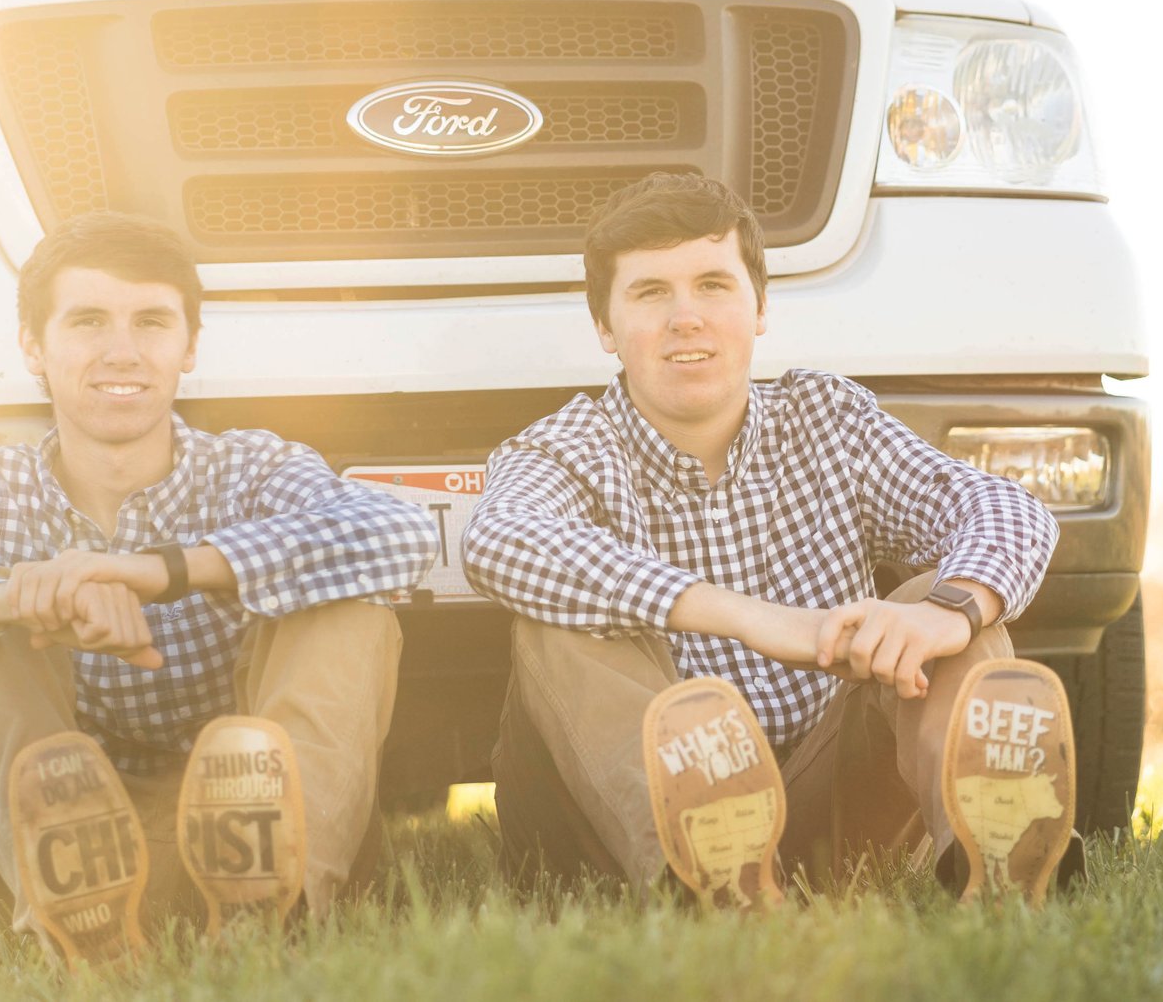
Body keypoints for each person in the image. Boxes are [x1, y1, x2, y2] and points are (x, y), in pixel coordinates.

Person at [0, 213, 438, 963]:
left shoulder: (250, 467)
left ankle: (275, 905)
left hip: (256, 825)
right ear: (33, 346)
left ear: (189, 346)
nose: (123, 351)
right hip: (53, 846)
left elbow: (406, 534)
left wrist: (163, 569)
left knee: (348, 601)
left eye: (152, 322)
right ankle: (76, 915)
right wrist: (28, 595)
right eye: (89, 321)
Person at [461, 172, 1076, 906]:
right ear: (604, 326)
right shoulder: (564, 447)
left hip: (830, 807)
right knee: (558, 620)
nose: (686, 317)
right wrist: (754, 618)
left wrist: (947, 612)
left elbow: (1003, 507)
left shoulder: (826, 417)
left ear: (759, 308)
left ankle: (994, 857)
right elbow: (499, 537)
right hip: (623, 819)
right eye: (651, 292)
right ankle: (705, 873)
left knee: (940, 610)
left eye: (714, 285)